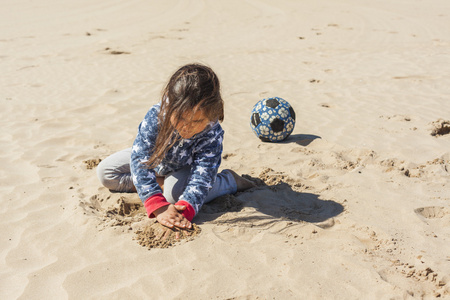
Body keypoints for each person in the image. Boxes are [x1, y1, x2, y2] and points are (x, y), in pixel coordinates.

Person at [96, 63, 254, 237]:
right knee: (106, 173)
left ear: (211, 113)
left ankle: (228, 181)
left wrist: (182, 212)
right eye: (180, 118)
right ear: (170, 105)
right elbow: (141, 158)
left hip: (184, 168)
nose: (186, 127)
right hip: (156, 160)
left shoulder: (211, 131)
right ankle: (161, 182)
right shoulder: (156, 116)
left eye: (196, 122)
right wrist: (157, 204)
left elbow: (201, 178)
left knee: (174, 197)